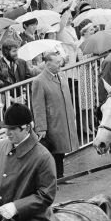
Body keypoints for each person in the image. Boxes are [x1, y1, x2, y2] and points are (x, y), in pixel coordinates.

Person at [30, 50, 78, 178]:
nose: (59, 65)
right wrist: (41, 128)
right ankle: (54, 177)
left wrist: (71, 115)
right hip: (52, 122)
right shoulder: (39, 81)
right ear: (47, 64)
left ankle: (60, 175)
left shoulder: (61, 75)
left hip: (63, 119)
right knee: (54, 151)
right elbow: (38, 106)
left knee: (61, 151)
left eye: (60, 62)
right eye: (57, 62)